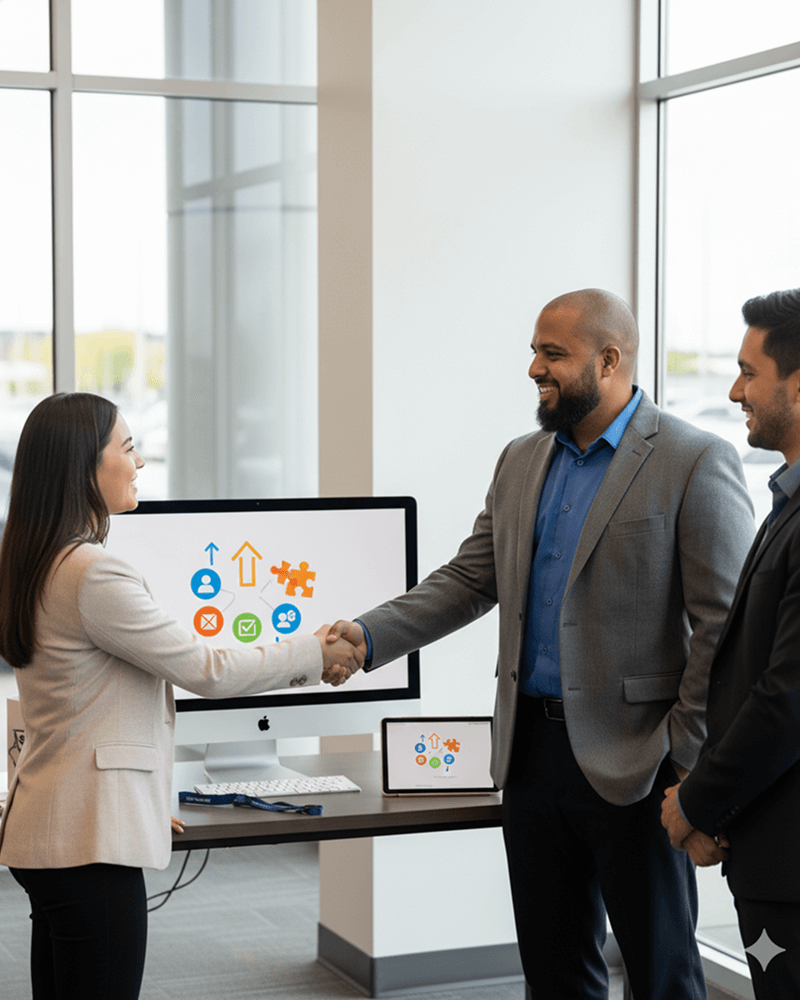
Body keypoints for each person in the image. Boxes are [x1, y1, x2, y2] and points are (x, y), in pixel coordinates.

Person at [326, 288, 755, 999]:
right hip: (529, 757)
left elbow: (724, 627)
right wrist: (368, 636)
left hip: (640, 764)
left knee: (663, 977)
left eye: (552, 354)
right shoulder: (521, 460)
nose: (533, 368)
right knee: (554, 975)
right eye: (533, 351)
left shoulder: (693, 459)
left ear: (609, 360)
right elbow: (470, 579)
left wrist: (684, 753)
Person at [0, 392, 362, 1000]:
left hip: (55, 827)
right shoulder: (94, 573)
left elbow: (76, 710)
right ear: (83, 467)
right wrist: (313, 651)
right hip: (88, 842)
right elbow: (207, 669)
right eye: (128, 447)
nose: (140, 462)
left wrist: (136, 798)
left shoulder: (34, 560)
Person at [661, 287, 800, 999]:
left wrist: (697, 802)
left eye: (749, 372)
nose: (734, 391)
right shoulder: (785, 503)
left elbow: (785, 700)